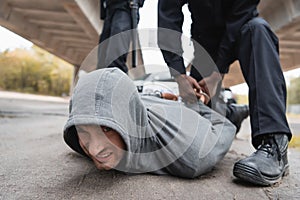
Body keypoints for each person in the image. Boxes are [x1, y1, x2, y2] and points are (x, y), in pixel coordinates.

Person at [158, 0, 292, 185]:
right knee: (197, 108)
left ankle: (275, 144)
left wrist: (218, 71)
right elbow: (168, 17)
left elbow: (241, 15)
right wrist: (179, 74)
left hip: (241, 29)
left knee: (258, 30)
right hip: (206, 42)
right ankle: (231, 114)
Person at [64, 68, 236, 178]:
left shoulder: (192, 155)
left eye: (107, 129)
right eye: (84, 132)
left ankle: (237, 110)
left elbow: (226, 126)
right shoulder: (81, 139)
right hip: (152, 101)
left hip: (186, 112)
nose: (94, 150)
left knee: (219, 110)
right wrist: (160, 96)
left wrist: (197, 105)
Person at [97, 0, 145, 73]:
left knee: (115, 59)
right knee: (102, 63)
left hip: (126, 7)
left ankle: (116, 81)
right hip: (109, 9)